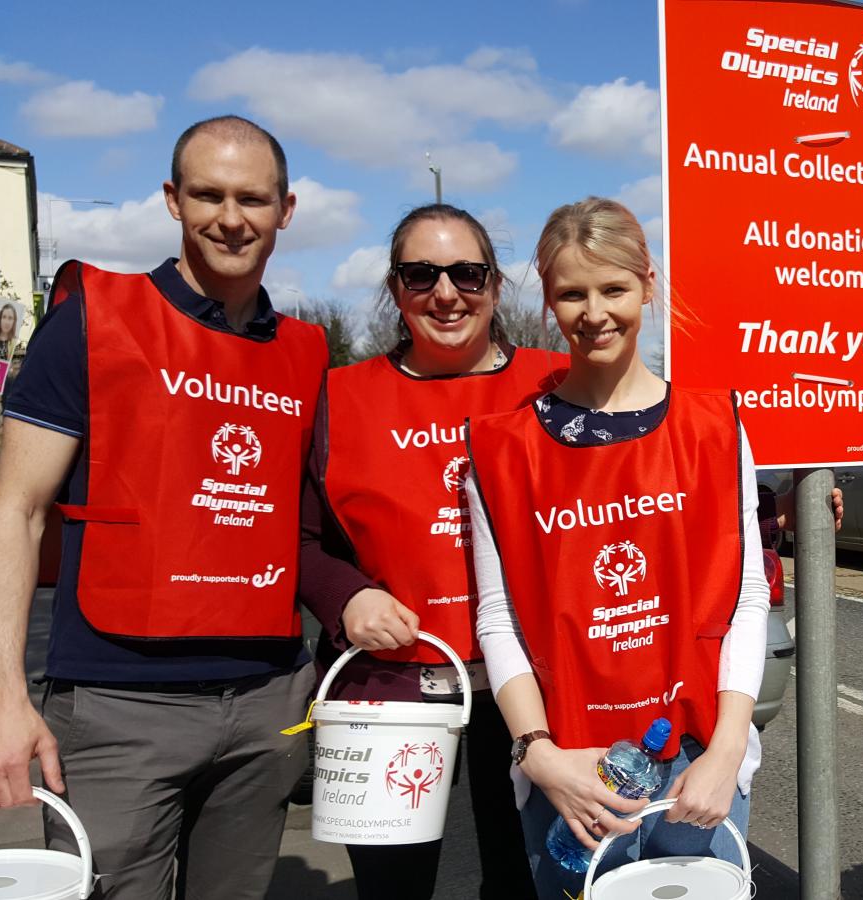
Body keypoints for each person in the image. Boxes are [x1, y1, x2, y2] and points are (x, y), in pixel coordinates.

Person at [0, 116, 326, 899]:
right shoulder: (92, 317)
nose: (231, 218)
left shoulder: (307, 352)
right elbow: (17, 508)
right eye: (208, 194)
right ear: (172, 200)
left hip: (266, 706)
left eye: (253, 198)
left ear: (286, 209)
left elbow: (317, 523)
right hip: (117, 706)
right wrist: (5, 697)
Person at [464, 197, 770, 899]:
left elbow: (747, 597)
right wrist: (538, 756)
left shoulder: (716, 425)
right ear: (547, 300)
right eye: (572, 293)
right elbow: (498, 619)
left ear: (649, 286)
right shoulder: (501, 449)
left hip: (695, 765)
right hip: (572, 774)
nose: (593, 312)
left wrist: (726, 752)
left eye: (614, 288)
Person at [297, 203, 566, 899]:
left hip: (535, 690)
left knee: (527, 881)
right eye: (421, 274)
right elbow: (298, 539)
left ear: (496, 286)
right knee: (394, 889)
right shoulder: (338, 397)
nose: (445, 293)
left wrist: (770, 509)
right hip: (391, 688)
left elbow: (656, 482)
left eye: (467, 273)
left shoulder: (557, 387)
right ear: (395, 290)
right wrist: (345, 596)